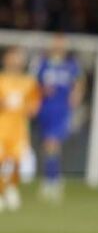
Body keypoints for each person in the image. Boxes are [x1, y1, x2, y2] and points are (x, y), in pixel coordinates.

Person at [36, 35, 84, 203]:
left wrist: (76, 95)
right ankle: (53, 178)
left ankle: (52, 182)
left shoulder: (71, 66)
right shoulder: (43, 64)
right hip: (46, 109)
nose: (58, 46)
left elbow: (78, 84)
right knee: (49, 146)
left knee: (52, 143)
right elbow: (36, 86)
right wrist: (42, 91)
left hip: (61, 110)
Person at [0, 47, 41, 212]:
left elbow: (34, 105)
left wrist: (26, 107)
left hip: (19, 129)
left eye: (18, 58)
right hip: (1, 128)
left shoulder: (29, 82)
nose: (16, 61)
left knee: (16, 162)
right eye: (13, 58)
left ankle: (11, 188)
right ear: (6, 59)